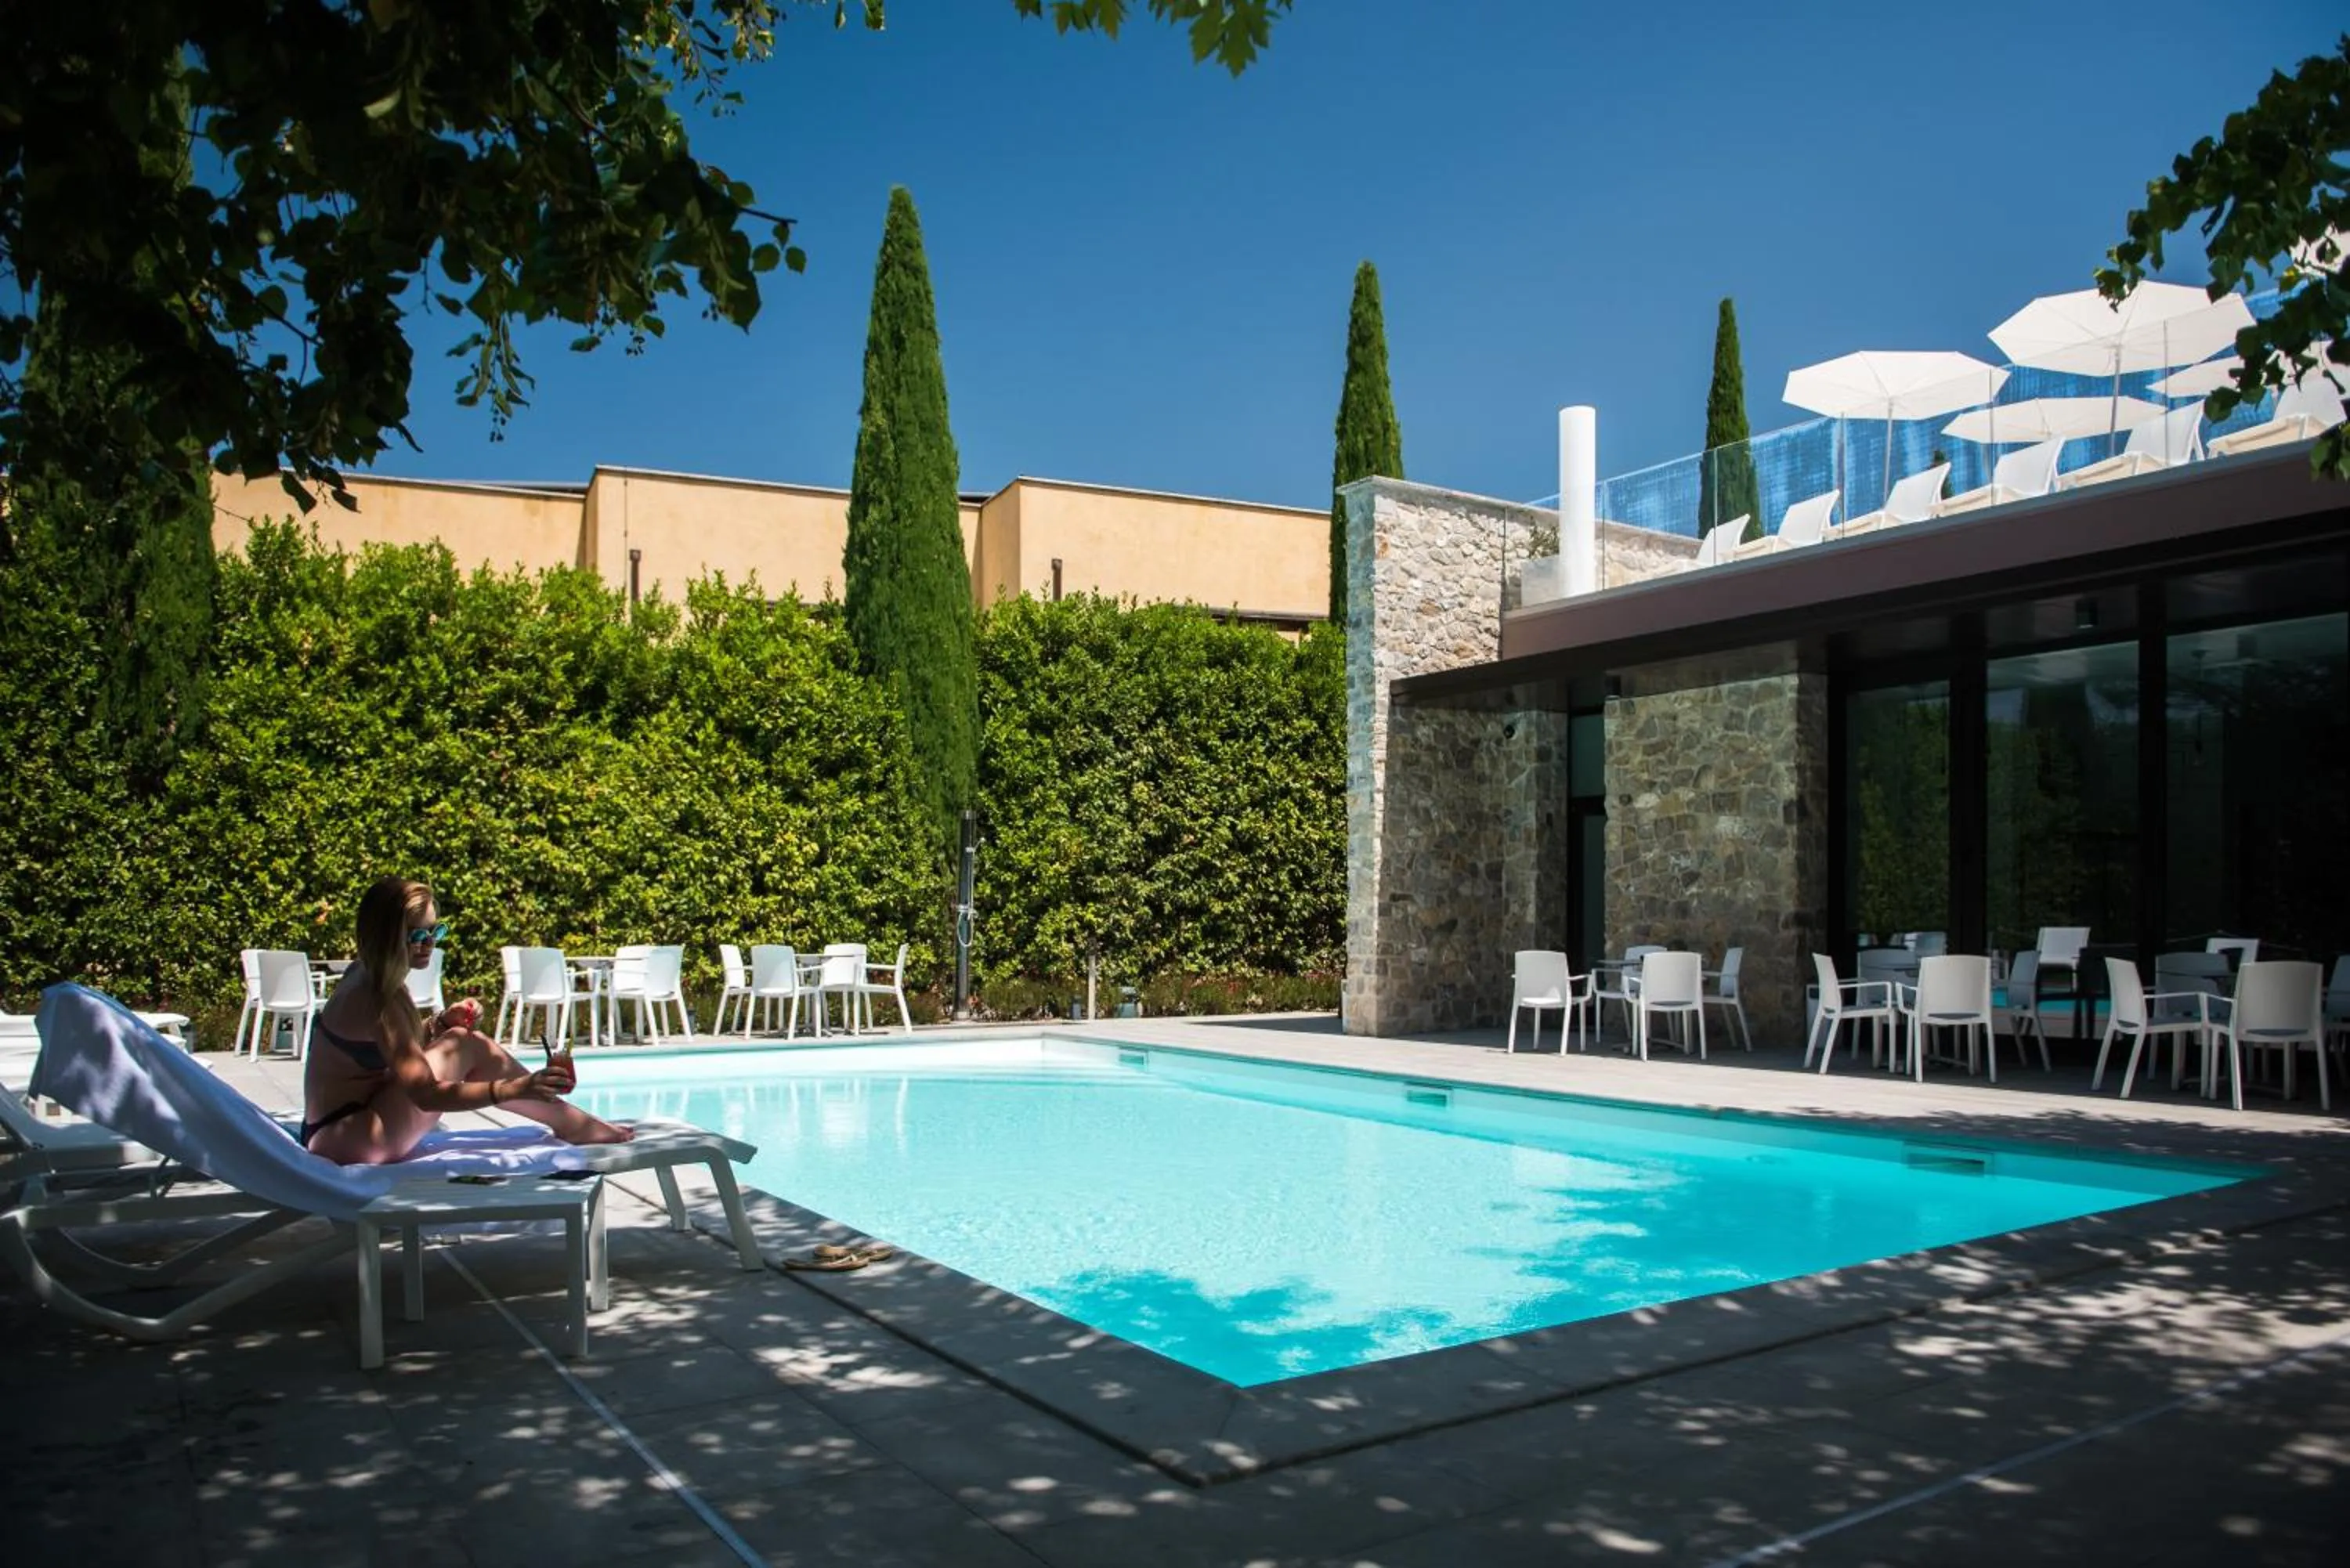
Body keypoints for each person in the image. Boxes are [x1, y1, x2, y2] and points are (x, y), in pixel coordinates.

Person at [301, 876, 632, 1164]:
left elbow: (399, 1051)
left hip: (340, 1129)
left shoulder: (370, 975)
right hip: (350, 1139)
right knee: (466, 1044)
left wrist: (441, 1023)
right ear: (386, 937)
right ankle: (571, 1123)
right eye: (416, 936)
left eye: (435, 931)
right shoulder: (377, 997)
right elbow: (425, 1095)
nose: (429, 943)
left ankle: (569, 1122)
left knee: (459, 1039)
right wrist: (515, 1088)